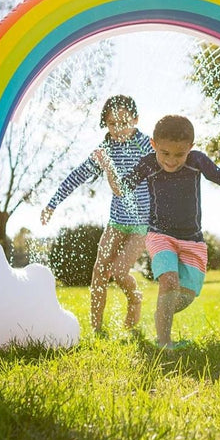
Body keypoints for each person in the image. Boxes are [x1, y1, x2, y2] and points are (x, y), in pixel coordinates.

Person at [94, 114, 220, 348]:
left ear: (190, 147)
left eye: (179, 154)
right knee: (169, 282)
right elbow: (120, 189)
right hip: (159, 235)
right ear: (154, 145)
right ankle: (164, 342)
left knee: (185, 296)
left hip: (193, 241)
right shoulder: (148, 163)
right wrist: (108, 166)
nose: (171, 160)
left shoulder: (196, 161)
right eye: (165, 153)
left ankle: (160, 314)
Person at [41, 95, 153, 333]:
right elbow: (77, 175)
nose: (118, 128)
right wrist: (53, 203)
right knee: (100, 270)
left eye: (124, 122)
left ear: (136, 119)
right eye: (112, 123)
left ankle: (135, 298)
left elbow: (166, 161)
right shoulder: (106, 151)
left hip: (141, 225)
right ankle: (96, 330)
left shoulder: (145, 144)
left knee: (120, 271)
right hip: (116, 222)